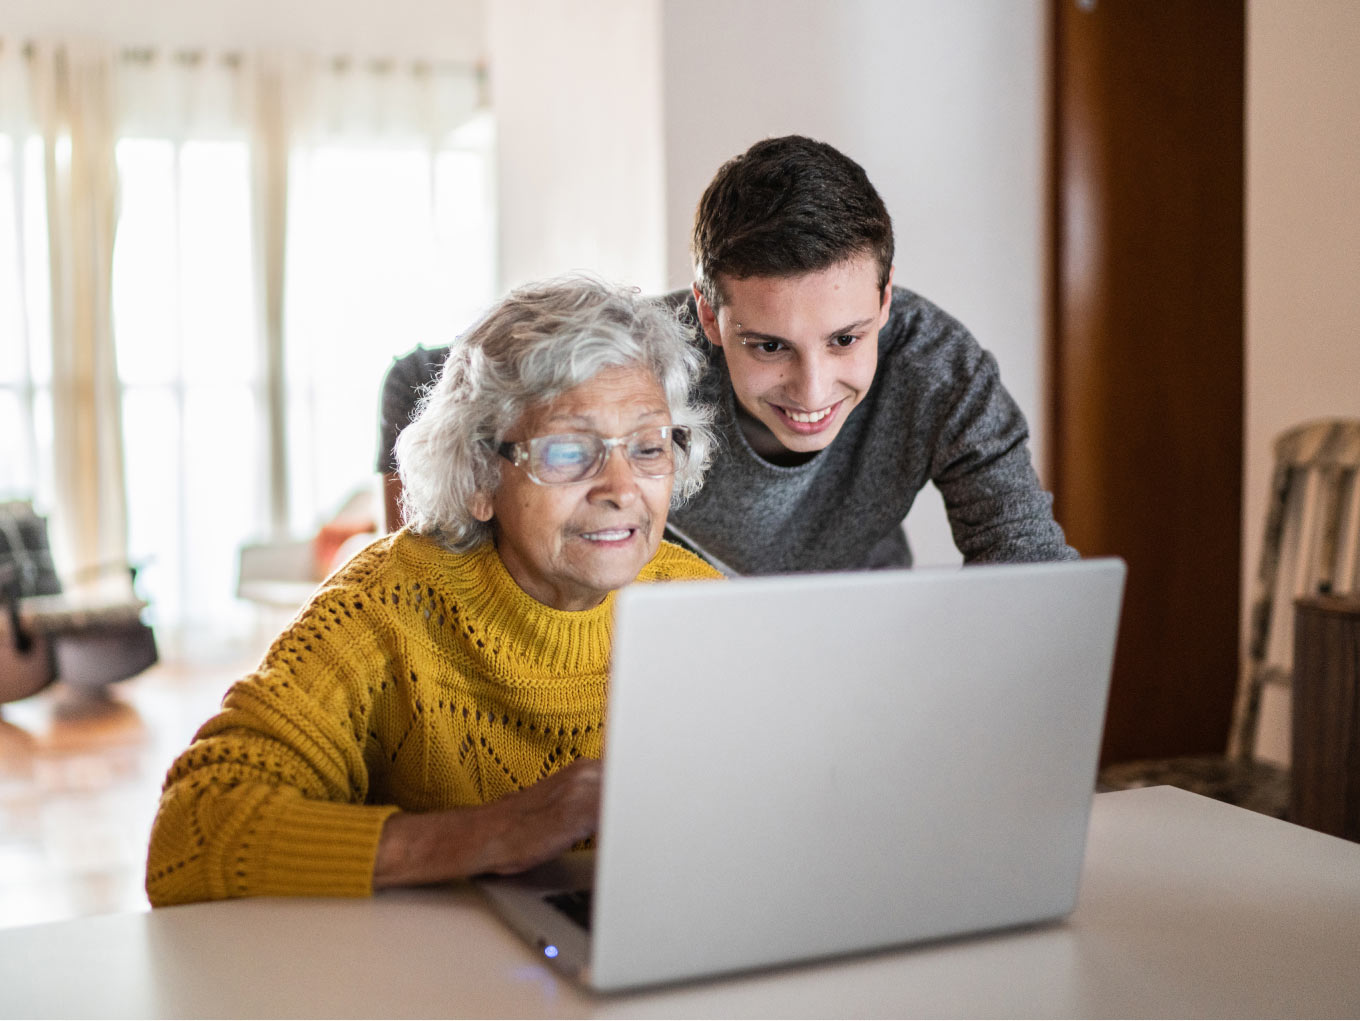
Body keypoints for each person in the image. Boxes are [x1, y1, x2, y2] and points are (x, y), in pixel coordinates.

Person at [146, 276, 720, 906]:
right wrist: (490, 836)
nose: (620, 485)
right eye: (566, 450)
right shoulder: (384, 607)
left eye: (647, 446)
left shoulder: (705, 607)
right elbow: (191, 835)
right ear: (478, 477)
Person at [378, 136, 1077, 570]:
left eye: (846, 339)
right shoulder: (645, 353)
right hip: (679, 630)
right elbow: (417, 377)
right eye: (769, 345)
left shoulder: (943, 374)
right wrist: (417, 572)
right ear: (709, 314)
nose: (812, 389)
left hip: (855, 626)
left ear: (886, 301)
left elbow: (1030, 570)